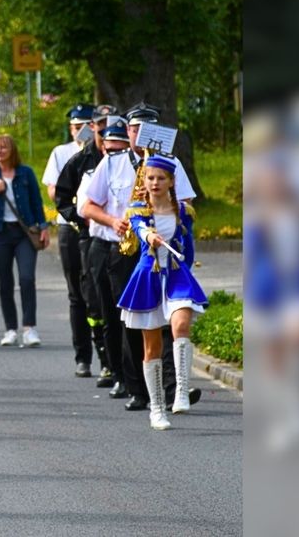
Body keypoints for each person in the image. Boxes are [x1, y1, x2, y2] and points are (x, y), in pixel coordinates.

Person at [82, 113, 199, 412]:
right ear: (128, 132)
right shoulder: (112, 161)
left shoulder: (169, 163)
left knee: (174, 321)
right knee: (132, 323)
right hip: (120, 246)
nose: (139, 134)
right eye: (134, 129)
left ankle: (175, 389)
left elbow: (186, 204)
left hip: (167, 252)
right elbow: (86, 205)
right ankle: (137, 388)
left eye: (145, 129)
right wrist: (113, 221)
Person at [116, 155, 208, 429]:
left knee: (181, 323)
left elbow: (188, 246)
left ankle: (181, 391)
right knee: (152, 346)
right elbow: (140, 230)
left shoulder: (183, 211)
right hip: (149, 277)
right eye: (150, 178)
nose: (155, 183)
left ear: (171, 182)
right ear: (144, 181)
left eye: (161, 178)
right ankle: (157, 409)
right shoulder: (137, 210)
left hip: (177, 274)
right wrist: (149, 237)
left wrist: (185, 269)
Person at [56, 105, 118, 389]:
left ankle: (118, 363)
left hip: (118, 238)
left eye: (109, 125)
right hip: (89, 237)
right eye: (99, 125)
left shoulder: (123, 158)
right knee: (91, 298)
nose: (104, 130)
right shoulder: (81, 160)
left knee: (116, 299)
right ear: (91, 127)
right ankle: (96, 358)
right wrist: (81, 221)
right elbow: (63, 197)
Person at [0, 133, 50, 348]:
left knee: (27, 278)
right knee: (4, 283)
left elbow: (36, 201)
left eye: (4, 147)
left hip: (24, 233)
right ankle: (10, 329)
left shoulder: (25, 173)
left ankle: (29, 328)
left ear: (12, 150)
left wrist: (43, 227)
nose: (0, 151)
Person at [43, 104, 95, 377]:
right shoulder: (62, 153)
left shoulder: (101, 152)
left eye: (86, 125)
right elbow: (53, 190)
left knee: (96, 292)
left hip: (96, 229)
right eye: (76, 127)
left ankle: (108, 357)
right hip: (69, 226)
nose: (81, 131)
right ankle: (82, 356)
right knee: (76, 293)